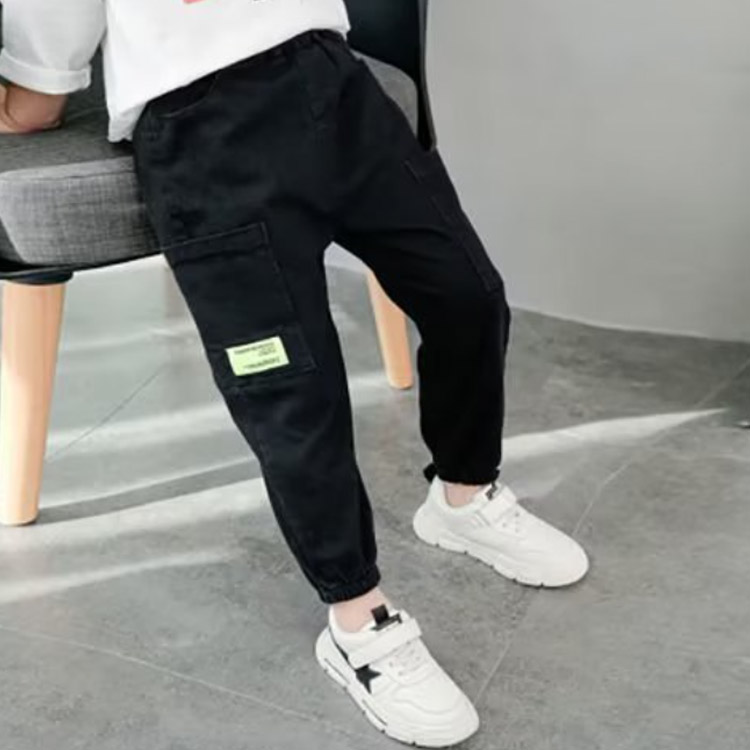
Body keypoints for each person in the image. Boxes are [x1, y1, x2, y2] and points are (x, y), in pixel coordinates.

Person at [0, 2, 589, 746]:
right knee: (294, 397)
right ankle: (359, 621)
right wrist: (23, 103)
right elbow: (45, 68)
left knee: (468, 296)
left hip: (332, 80)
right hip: (202, 137)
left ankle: (464, 498)